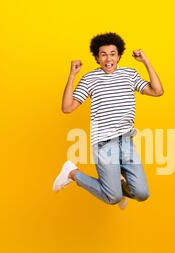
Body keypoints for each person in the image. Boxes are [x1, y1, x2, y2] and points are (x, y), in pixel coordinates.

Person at [53, 32, 164, 209]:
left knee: (142, 193)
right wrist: (72, 75)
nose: (108, 59)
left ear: (119, 55)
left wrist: (146, 62)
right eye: (103, 54)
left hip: (126, 141)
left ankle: (119, 186)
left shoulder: (130, 74)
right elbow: (67, 108)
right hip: (104, 143)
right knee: (112, 197)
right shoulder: (90, 78)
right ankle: (72, 173)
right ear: (97, 58)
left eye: (112, 54)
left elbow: (157, 91)